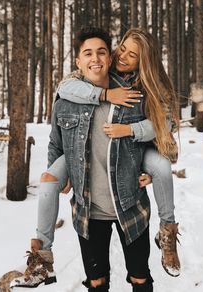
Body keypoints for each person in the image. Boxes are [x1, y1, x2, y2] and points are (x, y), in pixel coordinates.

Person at [11, 27, 154, 292]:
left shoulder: (132, 96)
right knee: (96, 282)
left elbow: (154, 140)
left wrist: (151, 171)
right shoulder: (65, 100)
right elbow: (56, 142)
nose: (95, 58)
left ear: (110, 58)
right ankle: (43, 258)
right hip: (88, 212)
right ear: (78, 62)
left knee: (140, 278)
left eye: (101, 52)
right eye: (87, 53)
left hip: (132, 209)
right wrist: (60, 176)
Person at [58, 27, 181, 277]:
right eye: (122, 48)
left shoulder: (151, 86)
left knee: (162, 168)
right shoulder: (104, 71)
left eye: (132, 55)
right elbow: (65, 87)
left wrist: (129, 130)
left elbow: (164, 125)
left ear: (144, 62)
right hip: (101, 187)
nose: (122, 56)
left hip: (141, 149)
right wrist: (105, 93)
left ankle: (167, 230)